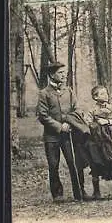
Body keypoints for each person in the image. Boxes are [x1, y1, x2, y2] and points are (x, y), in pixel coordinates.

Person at [36, 62, 89, 202]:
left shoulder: (69, 91)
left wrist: (69, 122)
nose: (64, 75)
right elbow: (43, 116)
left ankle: (80, 191)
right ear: (52, 75)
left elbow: (77, 109)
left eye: (64, 72)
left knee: (74, 162)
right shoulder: (44, 93)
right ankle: (57, 194)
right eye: (60, 73)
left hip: (69, 135)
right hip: (51, 137)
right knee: (53, 165)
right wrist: (59, 126)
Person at [84, 85, 112, 199]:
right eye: (102, 94)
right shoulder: (92, 110)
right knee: (96, 164)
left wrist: (107, 121)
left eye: (106, 93)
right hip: (97, 141)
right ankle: (96, 192)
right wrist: (96, 124)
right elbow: (87, 123)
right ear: (95, 97)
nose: (106, 95)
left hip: (111, 140)